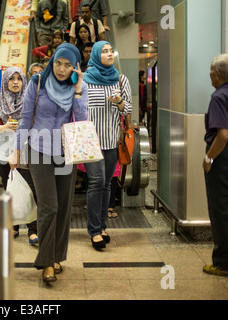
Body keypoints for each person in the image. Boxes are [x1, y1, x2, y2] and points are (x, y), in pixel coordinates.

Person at [9, 43, 87, 283]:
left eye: (67, 65)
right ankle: (45, 263)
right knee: (49, 206)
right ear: (52, 61)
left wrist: (77, 91)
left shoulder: (78, 86)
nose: (61, 69)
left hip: (66, 152)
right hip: (38, 149)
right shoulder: (38, 81)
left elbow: (82, 120)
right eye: (58, 63)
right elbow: (25, 117)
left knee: (63, 207)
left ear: (75, 67)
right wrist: (16, 150)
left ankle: (56, 257)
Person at [82, 41, 132, 250]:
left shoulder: (120, 80)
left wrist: (120, 102)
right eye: (104, 51)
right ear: (95, 55)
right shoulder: (84, 80)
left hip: (111, 141)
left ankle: (102, 226)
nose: (110, 54)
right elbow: (76, 105)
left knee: (106, 185)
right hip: (90, 141)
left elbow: (128, 109)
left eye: (111, 51)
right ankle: (94, 230)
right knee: (96, 183)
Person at [202, 54, 228, 278]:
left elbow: (223, 134)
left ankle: (222, 264)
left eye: (211, 70)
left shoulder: (219, 97)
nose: (210, 74)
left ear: (217, 74)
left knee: (221, 211)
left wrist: (209, 158)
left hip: (223, 157)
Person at [0, 67, 38, 245]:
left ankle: (33, 229)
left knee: (31, 189)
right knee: (9, 188)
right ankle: (13, 225)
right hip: (4, 151)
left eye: (19, 79)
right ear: (5, 82)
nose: (15, 82)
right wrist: (3, 127)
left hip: (27, 150)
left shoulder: (31, 101)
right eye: (11, 79)